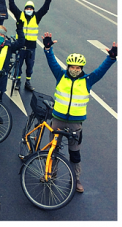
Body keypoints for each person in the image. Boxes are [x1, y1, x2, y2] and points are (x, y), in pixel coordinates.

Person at [42, 32, 116, 193]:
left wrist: (111, 58)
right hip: (58, 120)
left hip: (75, 123)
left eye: (78, 67)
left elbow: (101, 70)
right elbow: (52, 62)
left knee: (74, 153)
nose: (74, 70)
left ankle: (76, 180)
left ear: (81, 68)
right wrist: (48, 49)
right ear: (68, 66)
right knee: (53, 149)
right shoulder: (61, 75)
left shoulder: (88, 80)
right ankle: (50, 174)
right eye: (72, 67)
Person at [8, 0, 57, 91]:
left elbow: (45, 9)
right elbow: (12, 6)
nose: (29, 10)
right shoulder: (19, 15)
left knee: (30, 66)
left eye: (31, 8)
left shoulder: (37, 16)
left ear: (33, 10)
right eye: (27, 8)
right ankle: (18, 81)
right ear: (24, 9)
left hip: (31, 47)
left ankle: (28, 82)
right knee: (18, 65)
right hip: (20, 45)